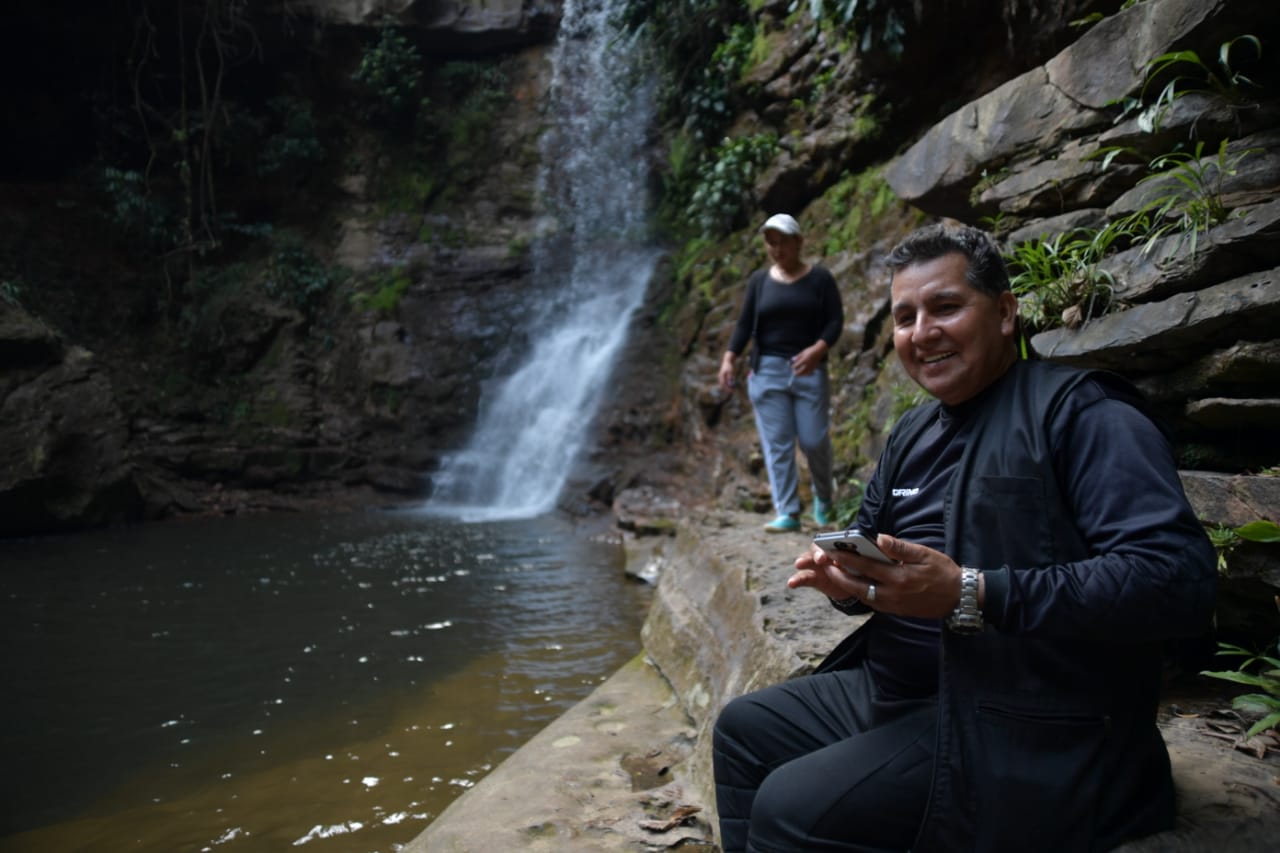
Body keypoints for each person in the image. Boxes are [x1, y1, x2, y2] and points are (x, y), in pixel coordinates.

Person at [711, 224, 1217, 852]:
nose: (922, 333)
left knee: (792, 806)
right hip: (897, 691)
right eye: (904, 317)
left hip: (1020, 713)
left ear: (1005, 313)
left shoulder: (1084, 416)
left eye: (945, 307)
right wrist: (847, 585)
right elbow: (869, 551)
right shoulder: (911, 435)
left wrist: (970, 592)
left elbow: (1176, 578)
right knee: (741, 729)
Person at [719, 213, 844, 533]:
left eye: (782, 241)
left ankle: (823, 495)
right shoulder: (759, 282)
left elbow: (835, 321)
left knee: (814, 439)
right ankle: (787, 511)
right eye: (770, 242)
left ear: (799, 242)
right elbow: (745, 324)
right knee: (777, 444)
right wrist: (729, 358)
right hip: (767, 371)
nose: (776, 249)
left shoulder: (820, 279)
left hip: (808, 368)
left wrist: (818, 349)